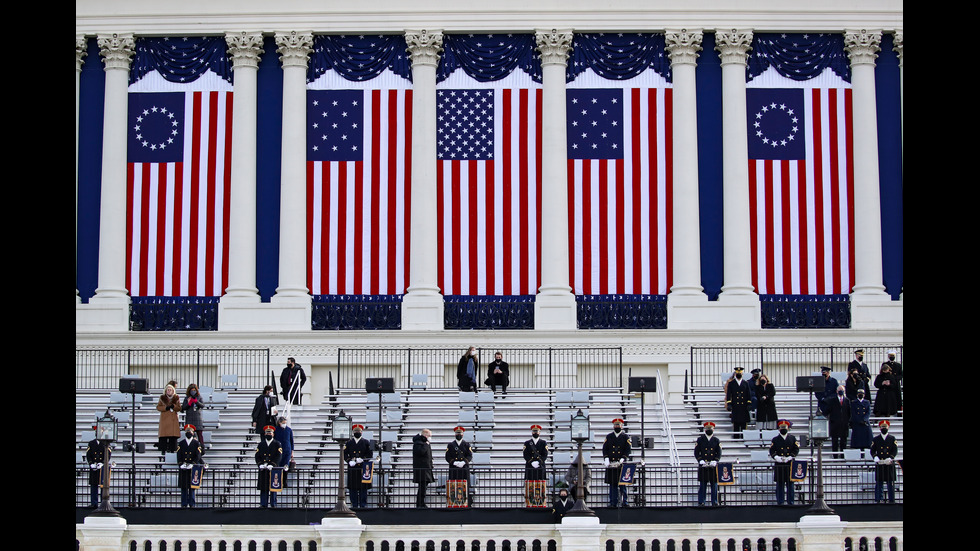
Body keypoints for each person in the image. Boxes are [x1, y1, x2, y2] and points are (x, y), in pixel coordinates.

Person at [602, 418, 632, 507]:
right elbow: (605, 448)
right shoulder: (609, 436)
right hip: (612, 463)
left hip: (621, 464)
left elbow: (628, 449)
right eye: (615, 425)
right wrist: (606, 458)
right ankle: (613, 502)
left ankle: (625, 502)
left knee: (623, 484)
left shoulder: (625, 437)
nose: (617, 426)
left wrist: (623, 458)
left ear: (621, 426)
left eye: (618, 425)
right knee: (612, 484)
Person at [769, 419, 799, 505]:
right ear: (779, 429)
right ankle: (780, 501)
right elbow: (772, 450)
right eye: (781, 427)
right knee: (780, 484)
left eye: (785, 427)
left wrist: (791, 456)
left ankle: (791, 502)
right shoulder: (775, 439)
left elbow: (796, 449)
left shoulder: (792, 438)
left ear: (788, 428)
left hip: (789, 464)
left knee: (790, 484)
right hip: (779, 464)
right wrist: (776, 457)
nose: (783, 429)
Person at [343, 423, 373, 508]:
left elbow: (370, 454)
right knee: (353, 487)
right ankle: (354, 504)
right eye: (356, 431)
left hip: (363, 467)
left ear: (361, 432)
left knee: (363, 487)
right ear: (353, 432)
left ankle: (363, 504)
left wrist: (363, 459)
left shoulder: (366, 442)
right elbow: (344, 454)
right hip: (352, 467)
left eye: (359, 431)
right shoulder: (349, 443)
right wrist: (349, 461)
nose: (357, 432)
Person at [694, 421, 722, 506]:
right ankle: (702, 501)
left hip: (713, 466)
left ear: (713, 429)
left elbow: (719, 452)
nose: (709, 430)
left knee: (714, 485)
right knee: (703, 484)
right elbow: (696, 452)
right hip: (703, 466)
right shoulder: (700, 440)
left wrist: (716, 460)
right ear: (704, 429)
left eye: (710, 428)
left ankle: (715, 502)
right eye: (707, 428)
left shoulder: (716, 440)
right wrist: (700, 460)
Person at [870, 420, 898, 503]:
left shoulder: (892, 438)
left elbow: (894, 450)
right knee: (879, 482)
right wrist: (875, 457)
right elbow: (872, 450)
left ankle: (891, 500)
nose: (884, 428)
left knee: (890, 483)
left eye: (885, 427)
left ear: (888, 427)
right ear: (880, 428)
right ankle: (878, 499)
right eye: (882, 427)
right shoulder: (876, 439)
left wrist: (891, 458)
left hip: (889, 463)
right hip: (880, 463)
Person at [176, 424, 204, 508]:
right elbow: (179, 454)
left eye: (190, 431)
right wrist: (181, 463)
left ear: (193, 432)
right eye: (187, 431)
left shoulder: (196, 443)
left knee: (192, 486)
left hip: (192, 467)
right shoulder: (181, 443)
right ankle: (184, 503)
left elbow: (198, 455)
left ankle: (192, 503)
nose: (188, 432)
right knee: (184, 486)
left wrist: (193, 463)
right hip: (184, 467)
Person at [255, 424, 282, 508]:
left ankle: (273, 503)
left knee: (273, 486)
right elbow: (257, 455)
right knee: (263, 486)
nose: (268, 434)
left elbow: (279, 455)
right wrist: (260, 464)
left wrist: (272, 464)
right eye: (267, 433)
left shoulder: (277, 444)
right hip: (263, 468)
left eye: (270, 433)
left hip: (273, 468)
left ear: (273, 434)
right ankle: (263, 503)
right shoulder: (261, 444)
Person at [823, 384, 851, 455]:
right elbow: (827, 411)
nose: (841, 392)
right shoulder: (832, 400)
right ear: (836, 391)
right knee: (834, 441)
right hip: (834, 424)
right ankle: (835, 455)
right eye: (839, 390)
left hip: (844, 424)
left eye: (842, 390)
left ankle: (842, 455)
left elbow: (849, 413)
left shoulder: (847, 401)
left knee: (843, 441)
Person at [84, 434, 112, 508]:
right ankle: (94, 503)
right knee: (93, 485)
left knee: (103, 485)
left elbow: (108, 454)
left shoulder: (105, 444)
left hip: (102, 468)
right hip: (94, 467)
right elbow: (88, 454)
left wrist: (102, 463)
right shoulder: (91, 443)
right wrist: (90, 463)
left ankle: (103, 502)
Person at [725, 367, 752, 439]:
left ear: (742, 374)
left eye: (740, 373)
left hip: (744, 406)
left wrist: (749, 403)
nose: (739, 374)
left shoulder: (746, 383)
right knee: (736, 423)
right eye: (737, 373)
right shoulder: (731, 383)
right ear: (735, 374)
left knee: (744, 423)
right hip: (735, 405)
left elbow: (748, 394)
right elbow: (728, 395)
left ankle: (744, 438)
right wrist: (729, 404)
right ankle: (736, 438)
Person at [156, 384, 182, 453]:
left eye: (170, 390)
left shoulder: (176, 398)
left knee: (172, 438)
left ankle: (172, 451)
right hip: (164, 420)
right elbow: (158, 407)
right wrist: (165, 408)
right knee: (163, 437)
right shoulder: (162, 398)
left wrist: (174, 406)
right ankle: (163, 452)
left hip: (173, 420)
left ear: (173, 390)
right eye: (168, 390)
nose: (169, 391)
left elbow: (179, 408)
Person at [412, 428, 434, 508]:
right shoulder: (418, 443)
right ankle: (420, 503)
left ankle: (421, 502)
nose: (430, 437)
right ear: (425, 435)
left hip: (426, 469)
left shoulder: (424, 443)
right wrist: (426, 445)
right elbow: (420, 452)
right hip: (422, 470)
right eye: (429, 436)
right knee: (422, 488)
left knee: (424, 487)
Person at [182, 384, 207, 449]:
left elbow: (202, 405)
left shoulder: (199, 397)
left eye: (194, 390)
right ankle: (190, 447)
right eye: (191, 390)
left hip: (197, 417)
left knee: (199, 433)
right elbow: (183, 407)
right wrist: (189, 403)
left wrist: (196, 402)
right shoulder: (187, 398)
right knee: (190, 433)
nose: (193, 391)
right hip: (189, 417)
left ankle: (202, 446)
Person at [274, 416, 295, 489]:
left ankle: (284, 481)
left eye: (285, 423)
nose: (284, 424)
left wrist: (292, 451)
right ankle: (279, 480)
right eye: (283, 423)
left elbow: (291, 441)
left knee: (286, 466)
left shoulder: (289, 430)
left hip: (287, 451)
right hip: (279, 451)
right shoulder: (276, 430)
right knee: (279, 466)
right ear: (279, 423)